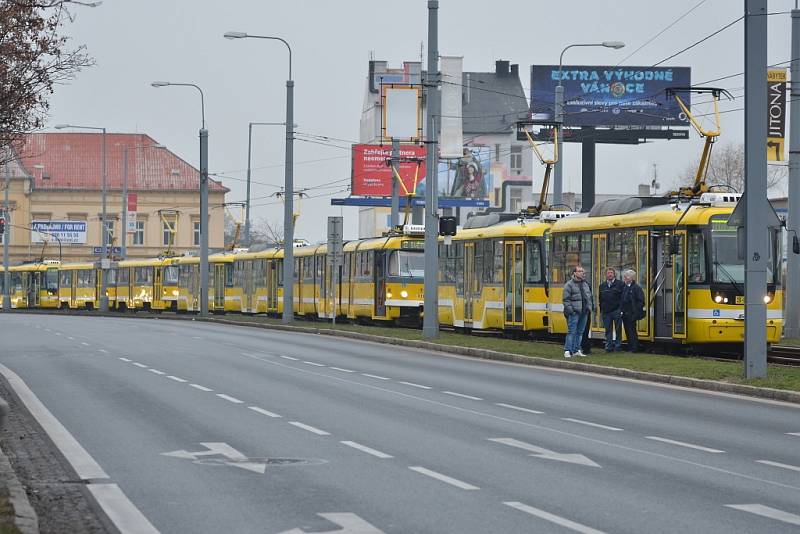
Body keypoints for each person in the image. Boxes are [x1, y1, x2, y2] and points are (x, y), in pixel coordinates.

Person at [562, 265, 594, 358]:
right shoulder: (569, 284)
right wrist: (571, 311)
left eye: (582, 271)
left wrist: (589, 308)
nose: (582, 273)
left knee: (580, 332)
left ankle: (576, 350)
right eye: (580, 271)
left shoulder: (585, 284)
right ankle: (567, 350)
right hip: (575, 312)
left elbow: (589, 297)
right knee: (572, 331)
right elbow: (566, 300)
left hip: (584, 312)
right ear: (574, 273)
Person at [598, 267, 624, 352]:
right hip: (606, 312)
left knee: (618, 329)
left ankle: (618, 346)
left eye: (611, 273)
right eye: (608, 273)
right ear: (605, 275)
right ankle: (608, 347)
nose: (610, 274)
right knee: (608, 330)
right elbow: (600, 299)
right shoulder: (602, 286)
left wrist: (621, 309)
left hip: (616, 310)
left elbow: (622, 298)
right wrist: (602, 310)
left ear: (614, 274)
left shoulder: (620, 284)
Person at [620, 269, 645, 352]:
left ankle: (634, 348)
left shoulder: (636, 288)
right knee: (627, 330)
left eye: (626, 276)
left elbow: (641, 301)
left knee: (632, 331)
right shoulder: (624, 287)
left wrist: (635, 310)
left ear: (632, 278)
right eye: (625, 276)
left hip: (632, 313)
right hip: (624, 313)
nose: (625, 278)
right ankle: (630, 347)